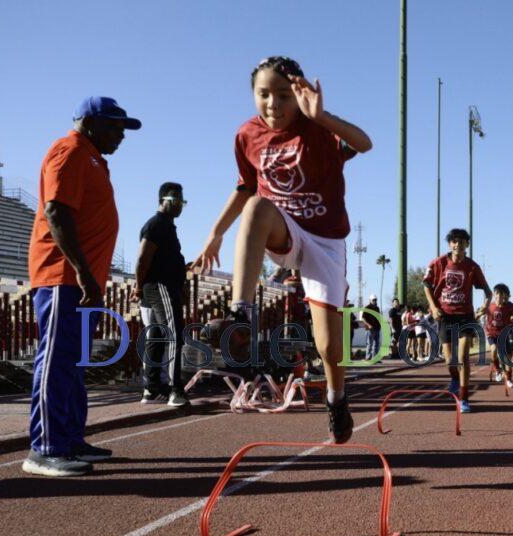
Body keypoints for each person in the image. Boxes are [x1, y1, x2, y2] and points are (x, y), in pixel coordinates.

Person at [192, 56, 372, 443]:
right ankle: (240, 315)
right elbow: (245, 188)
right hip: (283, 228)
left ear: (299, 94)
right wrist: (215, 233)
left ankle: (337, 398)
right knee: (257, 206)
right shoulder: (247, 135)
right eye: (264, 94)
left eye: (284, 95)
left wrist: (321, 116)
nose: (273, 104)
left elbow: (364, 143)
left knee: (328, 344)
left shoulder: (318, 128)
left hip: (324, 239)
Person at [23, 96, 142, 476]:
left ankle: (70, 438)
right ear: (89, 122)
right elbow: (56, 211)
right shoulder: (70, 150)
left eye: (123, 129)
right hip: (62, 277)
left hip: (81, 280)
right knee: (58, 360)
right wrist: (82, 272)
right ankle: (45, 448)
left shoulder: (91, 158)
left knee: (75, 362)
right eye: (114, 127)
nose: (120, 135)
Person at [423, 228, 491, 413]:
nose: (457, 245)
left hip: (465, 316)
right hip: (445, 315)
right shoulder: (438, 263)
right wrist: (433, 307)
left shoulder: (472, 266)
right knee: (449, 360)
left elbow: (487, 291)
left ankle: (464, 398)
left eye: (461, 241)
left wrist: (485, 306)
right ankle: (454, 377)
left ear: (467, 244)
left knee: (463, 357)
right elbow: (426, 285)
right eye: (454, 241)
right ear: (449, 244)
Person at [134, 182, 189, 406]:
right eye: (175, 200)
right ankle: (176, 390)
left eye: (182, 201)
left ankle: (152, 389)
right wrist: (138, 287)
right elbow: (142, 259)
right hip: (160, 287)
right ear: (162, 201)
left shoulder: (167, 226)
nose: (179, 205)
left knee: (156, 336)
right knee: (174, 334)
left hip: (162, 286)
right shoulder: (157, 225)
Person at [478, 283, 513, 387]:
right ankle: (497, 370)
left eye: (501, 294)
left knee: (508, 359)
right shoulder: (489, 306)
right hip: (492, 334)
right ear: (494, 295)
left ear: (504, 296)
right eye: (496, 294)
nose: (498, 296)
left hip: (505, 334)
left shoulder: (510, 306)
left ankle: (509, 379)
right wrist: (477, 315)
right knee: (493, 350)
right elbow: (479, 313)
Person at [362, 294, 382, 361]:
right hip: (370, 329)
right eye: (373, 300)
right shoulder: (367, 308)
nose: (375, 301)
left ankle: (375, 358)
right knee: (369, 343)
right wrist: (368, 325)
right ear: (370, 300)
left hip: (377, 328)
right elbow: (363, 318)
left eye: (375, 300)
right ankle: (368, 357)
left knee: (377, 343)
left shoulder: (377, 308)